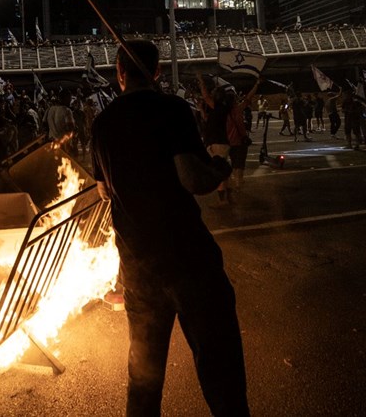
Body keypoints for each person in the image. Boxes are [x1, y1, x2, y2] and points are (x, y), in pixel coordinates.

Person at [90, 39, 250, 415]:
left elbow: (102, 191)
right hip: (188, 261)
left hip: (138, 269)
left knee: (144, 380)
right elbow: (193, 179)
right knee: (219, 368)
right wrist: (220, 168)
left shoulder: (102, 123)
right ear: (157, 71)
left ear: (119, 73)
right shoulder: (171, 109)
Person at [197, 73, 233, 207]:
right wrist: (201, 110)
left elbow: (205, 96)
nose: (211, 94)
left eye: (214, 93)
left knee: (218, 172)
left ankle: (222, 200)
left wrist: (201, 82)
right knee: (222, 170)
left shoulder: (218, 107)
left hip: (217, 143)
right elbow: (207, 120)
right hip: (220, 142)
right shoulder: (220, 109)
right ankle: (228, 197)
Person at [226, 77, 262, 199]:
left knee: (232, 164)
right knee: (239, 164)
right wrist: (256, 84)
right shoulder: (238, 109)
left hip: (227, 143)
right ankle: (238, 184)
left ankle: (232, 183)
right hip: (239, 142)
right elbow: (248, 98)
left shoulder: (222, 112)